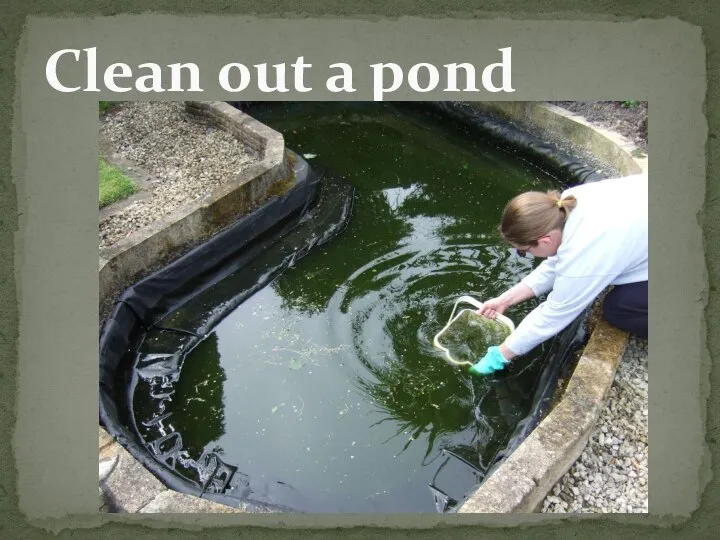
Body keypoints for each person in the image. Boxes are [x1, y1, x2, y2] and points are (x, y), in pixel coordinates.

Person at [469, 172, 648, 376]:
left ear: (545, 240)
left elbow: (554, 314)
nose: (526, 255)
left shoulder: (586, 251)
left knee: (621, 308)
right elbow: (558, 263)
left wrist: (498, 356)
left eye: (523, 251)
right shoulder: (566, 203)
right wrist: (505, 300)